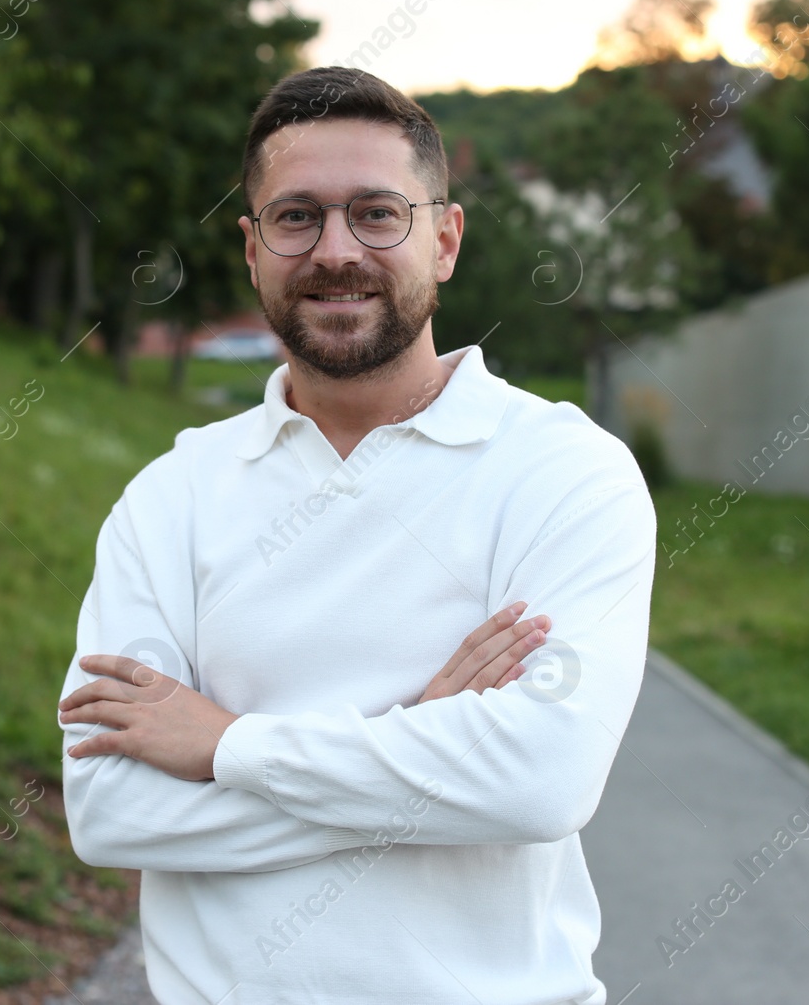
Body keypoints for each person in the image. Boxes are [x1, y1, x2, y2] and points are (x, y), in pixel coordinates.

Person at [56, 65, 656, 1004]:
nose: (337, 249)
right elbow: (109, 808)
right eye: (298, 217)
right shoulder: (170, 497)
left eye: (378, 213)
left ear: (446, 239)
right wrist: (424, 745)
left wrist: (224, 746)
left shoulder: (563, 472)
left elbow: (542, 779)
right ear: (251, 249)